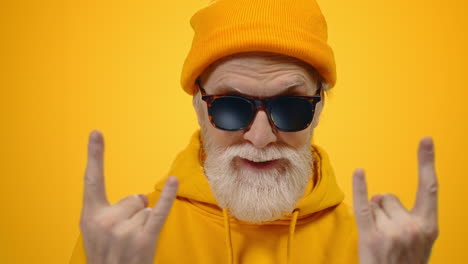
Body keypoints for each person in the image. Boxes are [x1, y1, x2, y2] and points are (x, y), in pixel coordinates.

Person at [70, 0, 439, 263]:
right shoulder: (121, 243)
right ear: (199, 105)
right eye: (231, 106)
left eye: (291, 107)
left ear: (320, 106)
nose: (260, 137)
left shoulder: (379, 248)